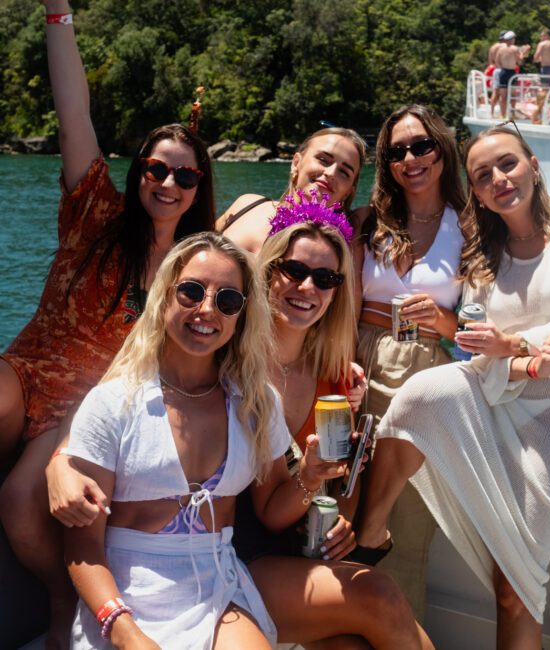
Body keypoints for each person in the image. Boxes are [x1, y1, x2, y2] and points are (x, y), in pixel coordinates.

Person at [354, 125, 550, 649]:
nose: (499, 180)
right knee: (421, 395)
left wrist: (516, 344)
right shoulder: (484, 253)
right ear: (475, 191)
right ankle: (371, 535)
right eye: (483, 176)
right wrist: (518, 356)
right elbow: (477, 346)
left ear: (534, 165)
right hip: (497, 397)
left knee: (515, 585)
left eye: (508, 164)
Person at [0, 2, 215, 646]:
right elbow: (75, 114)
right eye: (156, 169)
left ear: (198, 184)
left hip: (90, 405)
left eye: (183, 174)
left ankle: (65, 599)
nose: (168, 182)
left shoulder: (195, 272)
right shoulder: (94, 211)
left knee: (18, 499)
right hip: (30, 366)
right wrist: (58, 13)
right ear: (137, 173)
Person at [62, 230, 337, 648]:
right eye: (192, 291)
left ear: (242, 315)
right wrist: (125, 632)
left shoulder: (256, 403)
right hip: (125, 595)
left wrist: (312, 477)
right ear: (165, 295)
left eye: (227, 300)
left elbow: (272, 508)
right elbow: (82, 546)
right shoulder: (114, 402)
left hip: (217, 586)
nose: (207, 309)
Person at [232, 210, 434, 649]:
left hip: (300, 552)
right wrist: (309, 476)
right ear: (268, 271)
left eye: (326, 279)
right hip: (239, 552)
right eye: (296, 271)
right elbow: (269, 512)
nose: (309, 288)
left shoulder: (336, 376)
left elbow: (345, 476)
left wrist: (342, 518)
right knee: (377, 593)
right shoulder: (234, 363)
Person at [349, 104, 466, 620]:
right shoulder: (367, 221)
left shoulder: (473, 227)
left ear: (442, 148)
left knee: (406, 526)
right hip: (356, 364)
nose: (411, 159)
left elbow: (485, 327)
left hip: (427, 374)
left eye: (422, 146)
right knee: (341, 511)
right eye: (397, 151)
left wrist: (444, 322)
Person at [216, 127, 365, 254]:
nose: (331, 173)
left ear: (348, 192)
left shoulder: (338, 250)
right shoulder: (247, 204)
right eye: (323, 160)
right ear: (296, 163)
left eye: (344, 172)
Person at [495, 31, 531, 119]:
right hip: (511, 72)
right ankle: (513, 114)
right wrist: (524, 52)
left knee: (503, 95)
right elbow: (520, 61)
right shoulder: (514, 49)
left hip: (503, 72)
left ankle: (502, 115)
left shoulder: (500, 49)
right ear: (511, 39)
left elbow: (497, 61)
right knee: (513, 95)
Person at [488, 31, 507, 117]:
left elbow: (490, 62)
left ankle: (491, 112)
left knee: (495, 92)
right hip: (503, 70)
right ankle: (503, 114)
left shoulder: (493, 47)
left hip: (495, 70)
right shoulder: (505, 46)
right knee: (503, 94)